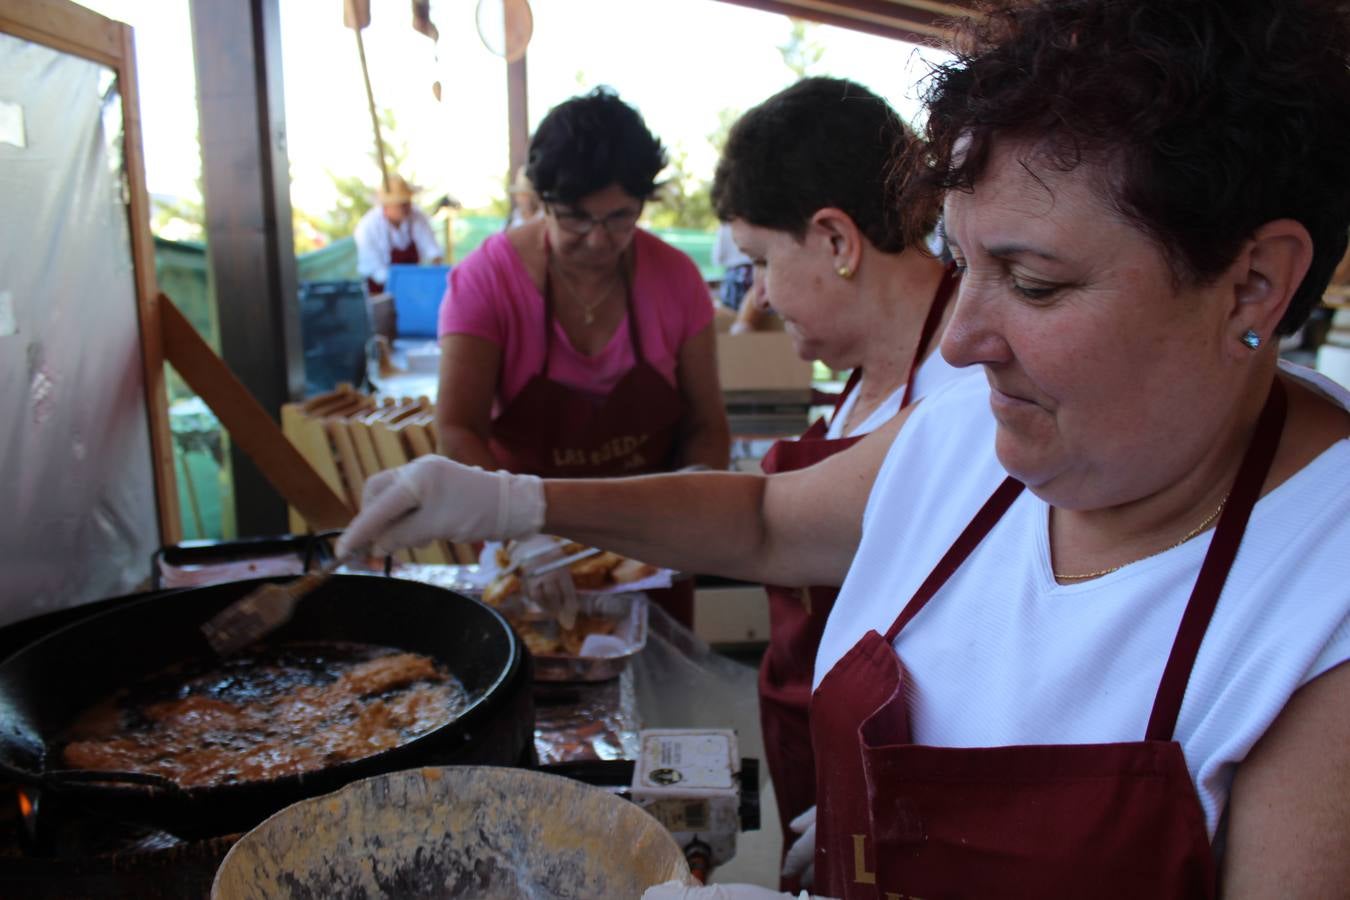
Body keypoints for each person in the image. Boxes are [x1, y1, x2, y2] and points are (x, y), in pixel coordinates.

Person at [339, 1, 1350, 896]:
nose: (960, 338)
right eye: (963, 261)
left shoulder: (1320, 604)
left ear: (1255, 283)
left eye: (1034, 282)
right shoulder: (971, 435)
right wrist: (515, 501)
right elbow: (768, 518)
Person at [709, 76, 962, 890]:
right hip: (816, 743)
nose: (760, 295)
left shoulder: (967, 380)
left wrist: (919, 794)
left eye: (759, 262)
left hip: (906, 783)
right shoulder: (859, 376)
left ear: (835, 240)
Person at [433, 86, 730, 627]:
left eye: (619, 217)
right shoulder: (486, 280)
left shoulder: (676, 280)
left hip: (648, 552)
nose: (598, 241)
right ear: (540, 200)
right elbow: (456, 429)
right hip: (524, 550)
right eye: (575, 218)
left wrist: (691, 511)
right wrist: (521, 534)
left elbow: (707, 423)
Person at [353, 173, 444, 297]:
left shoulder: (416, 217)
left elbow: (432, 250)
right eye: (402, 204)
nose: (408, 207)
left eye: (408, 202)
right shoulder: (367, 227)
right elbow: (374, 269)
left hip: (412, 288)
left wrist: (436, 275)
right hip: (379, 291)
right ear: (386, 207)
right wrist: (403, 284)